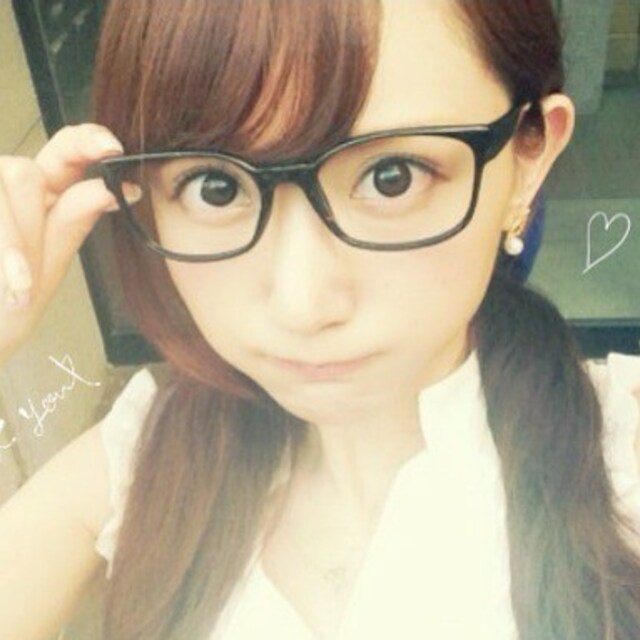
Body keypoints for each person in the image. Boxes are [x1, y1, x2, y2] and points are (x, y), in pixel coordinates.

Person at [0, 1, 639, 639]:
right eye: (215, 187)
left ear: (528, 158)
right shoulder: (143, 461)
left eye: (392, 178)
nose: (301, 305)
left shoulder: (623, 463)